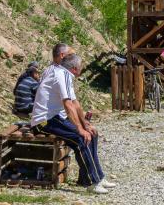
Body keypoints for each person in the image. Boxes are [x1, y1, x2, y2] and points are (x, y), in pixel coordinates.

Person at [31, 54, 116, 194]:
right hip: (44, 121)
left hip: (54, 118)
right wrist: (79, 129)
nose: (82, 68)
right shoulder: (62, 75)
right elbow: (67, 104)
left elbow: (75, 104)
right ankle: (91, 182)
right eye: (81, 66)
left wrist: (85, 125)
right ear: (75, 69)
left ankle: (98, 177)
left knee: (92, 134)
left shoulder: (64, 75)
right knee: (82, 138)